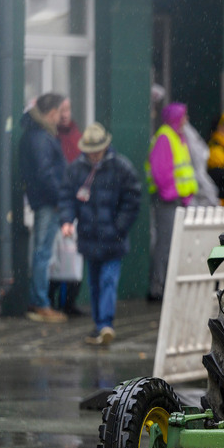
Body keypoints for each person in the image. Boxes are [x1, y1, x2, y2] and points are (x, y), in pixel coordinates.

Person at [59, 123, 141, 345]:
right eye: (90, 150)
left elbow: (133, 198)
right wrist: (66, 220)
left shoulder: (121, 167)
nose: (94, 154)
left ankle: (105, 324)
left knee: (107, 281)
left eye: (97, 149)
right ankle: (100, 325)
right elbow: (66, 196)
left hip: (113, 239)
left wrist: (119, 227)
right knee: (95, 283)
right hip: (89, 237)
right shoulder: (76, 169)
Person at [18, 93, 68, 323]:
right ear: (51, 113)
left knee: (42, 252)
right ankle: (40, 302)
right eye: (60, 111)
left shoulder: (38, 134)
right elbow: (45, 173)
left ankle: (38, 299)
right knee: (42, 253)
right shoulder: (41, 137)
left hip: (45, 200)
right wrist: (60, 198)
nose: (62, 117)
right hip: (48, 202)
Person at [146, 102, 198, 301]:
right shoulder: (166, 137)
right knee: (165, 245)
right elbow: (161, 172)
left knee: (170, 244)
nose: (186, 120)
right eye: (183, 116)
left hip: (177, 200)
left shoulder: (176, 136)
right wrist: (173, 194)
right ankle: (158, 288)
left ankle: (164, 286)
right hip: (168, 201)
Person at [50, 96, 84, 315]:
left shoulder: (75, 134)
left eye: (68, 109)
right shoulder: (52, 137)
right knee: (57, 257)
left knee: (74, 256)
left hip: (76, 200)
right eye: (61, 110)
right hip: (61, 202)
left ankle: (69, 302)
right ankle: (55, 301)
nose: (65, 114)